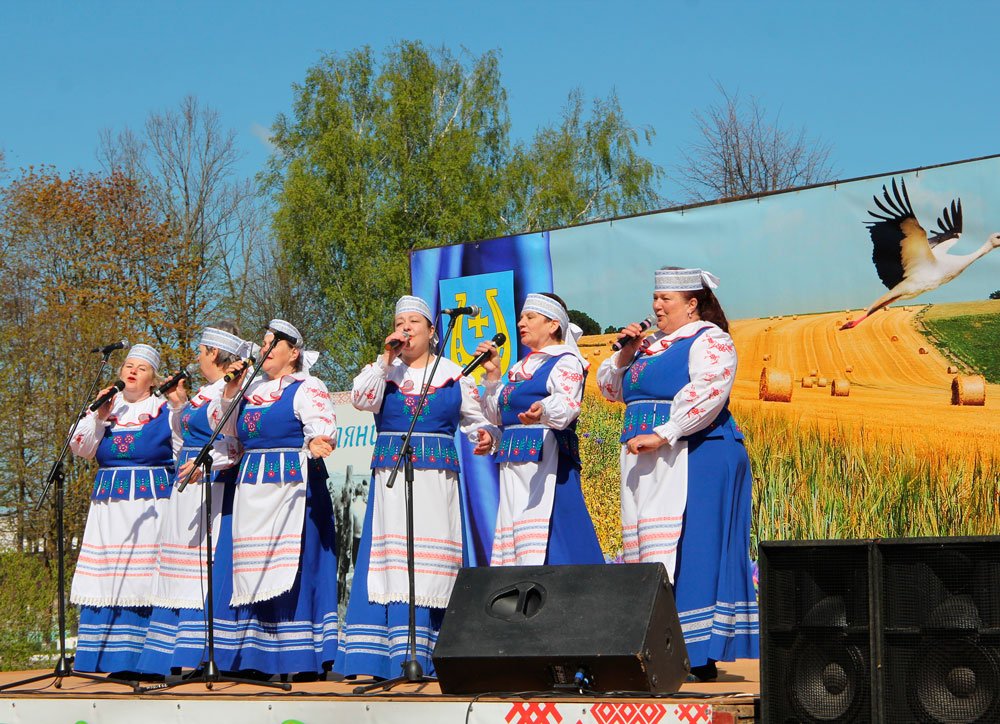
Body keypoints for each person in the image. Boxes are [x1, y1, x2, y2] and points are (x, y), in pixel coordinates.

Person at [597, 267, 759, 681]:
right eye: (655, 297)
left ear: (691, 304)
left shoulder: (709, 340)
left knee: (694, 548)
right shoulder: (649, 347)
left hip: (700, 452)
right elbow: (610, 390)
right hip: (653, 462)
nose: (656, 306)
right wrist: (626, 353)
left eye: (665, 299)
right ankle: (663, 646)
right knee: (657, 549)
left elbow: (709, 391)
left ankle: (697, 653)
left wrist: (664, 433)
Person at [336, 295, 498, 679]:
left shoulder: (454, 375)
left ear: (431, 331)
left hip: (436, 481)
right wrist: (385, 359)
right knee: (391, 560)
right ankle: (385, 658)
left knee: (433, 562)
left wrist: (485, 435)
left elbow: (478, 421)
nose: (405, 328)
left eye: (414, 322)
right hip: (392, 480)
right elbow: (361, 400)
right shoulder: (383, 372)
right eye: (399, 322)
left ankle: (434, 655)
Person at [211, 319, 339, 676]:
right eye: (264, 343)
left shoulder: (307, 386)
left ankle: (298, 658)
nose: (264, 349)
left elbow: (321, 425)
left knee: (293, 566)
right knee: (249, 566)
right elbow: (227, 431)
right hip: (251, 490)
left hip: (293, 488)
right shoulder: (250, 389)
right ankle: (251, 658)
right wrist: (231, 389)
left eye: (273, 344)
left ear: (293, 353)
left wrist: (317, 439)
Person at [137, 324, 247, 674]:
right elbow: (186, 434)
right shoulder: (204, 393)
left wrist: (206, 465)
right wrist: (179, 403)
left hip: (212, 486)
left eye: (201, 351)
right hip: (187, 485)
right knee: (180, 565)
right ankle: (172, 654)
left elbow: (235, 443)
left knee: (203, 567)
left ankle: (200, 652)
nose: (197, 356)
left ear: (213, 353)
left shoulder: (230, 391)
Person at [473, 292, 603, 566]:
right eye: (521, 317)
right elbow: (499, 415)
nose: (521, 323)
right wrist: (493, 377)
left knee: (555, 543)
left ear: (553, 324)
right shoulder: (520, 368)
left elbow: (567, 405)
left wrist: (543, 410)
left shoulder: (566, 361)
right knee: (519, 545)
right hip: (515, 471)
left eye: (530, 317)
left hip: (547, 467)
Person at [70, 343, 174, 675]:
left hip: (149, 506)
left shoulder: (164, 410)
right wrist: (99, 417)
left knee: (142, 575)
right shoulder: (106, 408)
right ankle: (101, 657)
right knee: (106, 575)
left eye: (141, 368)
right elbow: (80, 448)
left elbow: (184, 447)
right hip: (108, 508)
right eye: (129, 366)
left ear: (152, 379)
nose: (132, 371)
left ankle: (145, 659)